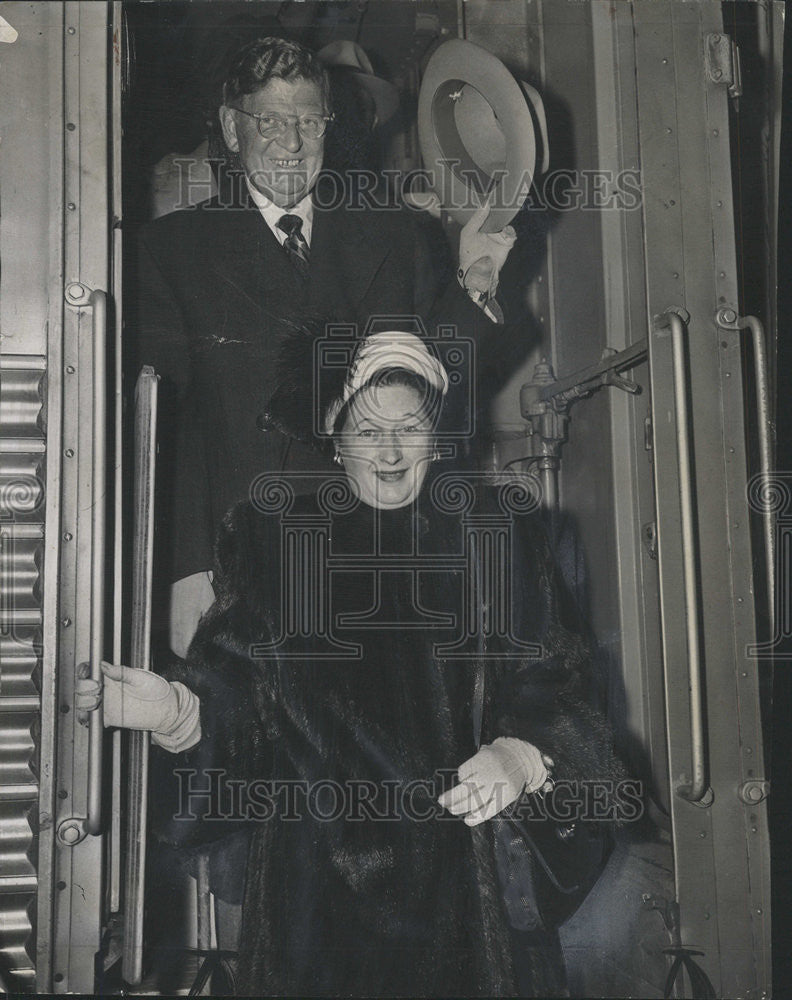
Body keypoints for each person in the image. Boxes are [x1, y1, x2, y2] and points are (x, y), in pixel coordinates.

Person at [86, 333, 626, 996]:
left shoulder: (496, 537)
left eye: (411, 428)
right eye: (368, 428)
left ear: (439, 437)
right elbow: (238, 696)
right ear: (336, 439)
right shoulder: (276, 543)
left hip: (461, 899)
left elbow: (560, 680)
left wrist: (523, 754)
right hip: (312, 908)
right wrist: (175, 712)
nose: (391, 451)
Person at [132, 35, 519, 658]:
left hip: (384, 559)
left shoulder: (398, 233)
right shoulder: (169, 252)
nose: (291, 142)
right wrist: (182, 567)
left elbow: (430, 385)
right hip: (243, 571)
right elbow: (171, 428)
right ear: (233, 130)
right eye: (271, 121)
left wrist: (473, 284)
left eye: (309, 121)